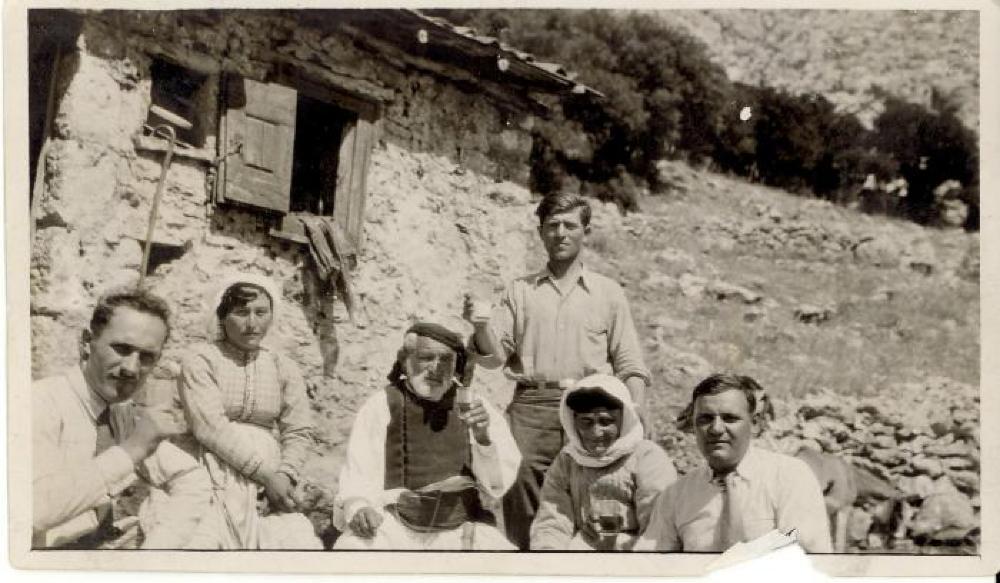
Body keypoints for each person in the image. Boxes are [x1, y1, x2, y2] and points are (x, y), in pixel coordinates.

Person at [465, 192, 651, 549]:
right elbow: (495, 356)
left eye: (570, 225)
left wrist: (637, 409)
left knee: (592, 492)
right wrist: (479, 326)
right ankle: (526, 564)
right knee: (520, 485)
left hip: (590, 407)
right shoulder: (520, 291)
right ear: (540, 232)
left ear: (586, 232)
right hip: (532, 408)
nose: (560, 233)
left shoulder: (608, 293)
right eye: (552, 226)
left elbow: (629, 363)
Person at [32, 288, 206, 549]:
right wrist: (131, 450)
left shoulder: (118, 413)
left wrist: (155, 553)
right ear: (86, 342)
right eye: (122, 349)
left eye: (146, 357)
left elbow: (192, 478)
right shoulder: (40, 403)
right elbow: (27, 512)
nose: (131, 368)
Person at [332, 322, 521, 550]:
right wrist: (360, 507)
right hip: (395, 528)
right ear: (405, 361)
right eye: (426, 357)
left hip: (459, 530)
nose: (436, 368)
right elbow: (359, 473)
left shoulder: (474, 406)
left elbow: (496, 487)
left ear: (456, 366)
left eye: (446, 360)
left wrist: (483, 438)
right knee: (353, 550)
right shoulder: (382, 405)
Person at [178, 274, 321, 549]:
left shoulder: (283, 366)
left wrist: (284, 476)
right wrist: (265, 476)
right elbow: (210, 428)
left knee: (295, 545)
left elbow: (299, 430)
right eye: (241, 312)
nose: (252, 323)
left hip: (272, 482)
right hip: (212, 469)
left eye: (261, 312)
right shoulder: (201, 359)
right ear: (222, 316)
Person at [636, 374, 833, 553]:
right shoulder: (677, 495)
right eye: (705, 419)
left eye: (730, 418)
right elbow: (649, 562)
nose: (716, 429)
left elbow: (806, 556)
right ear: (693, 425)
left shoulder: (789, 476)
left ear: (754, 423)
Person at [530, 375, 677, 551]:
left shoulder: (647, 456)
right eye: (586, 422)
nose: (596, 432)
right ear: (573, 422)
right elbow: (552, 521)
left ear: (624, 419)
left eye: (606, 422)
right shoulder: (568, 459)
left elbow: (659, 529)